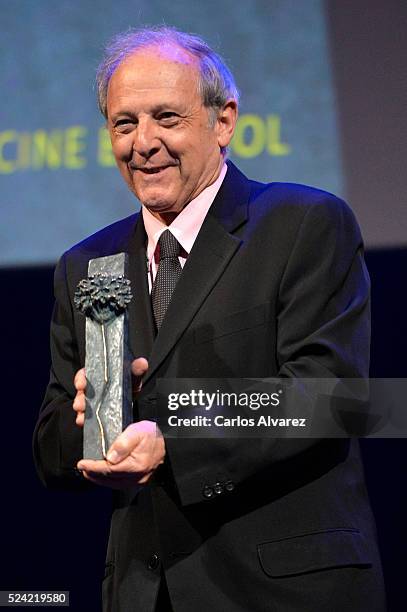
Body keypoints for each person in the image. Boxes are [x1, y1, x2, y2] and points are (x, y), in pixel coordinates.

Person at [33, 26, 386, 612]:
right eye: (124, 124)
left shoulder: (302, 224)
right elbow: (51, 450)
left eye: (166, 118)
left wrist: (167, 437)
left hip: (285, 590)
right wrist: (95, 421)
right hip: (145, 596)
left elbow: (332, 395)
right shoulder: (87, 267)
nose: (142, 143)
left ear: (223, 121)